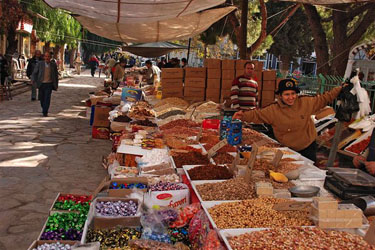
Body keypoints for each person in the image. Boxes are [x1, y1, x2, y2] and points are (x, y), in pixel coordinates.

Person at [233, 78, 343, 162]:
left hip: (308, 147)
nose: (291, 97)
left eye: (293, 93)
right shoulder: (273, 110)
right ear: (280, 96)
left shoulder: (306, 102)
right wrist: (242, 115)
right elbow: (257, 115)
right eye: (286, 94)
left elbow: (325, 98)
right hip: (287, 150)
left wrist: (340, 89)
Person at [32, 52, 59, 117]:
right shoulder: (40, 64)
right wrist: (33, 80)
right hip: (41, 83)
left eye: (48, 57)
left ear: (50, 57)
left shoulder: (53, 65)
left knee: (47, 97)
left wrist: (56, 84)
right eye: (46, 56)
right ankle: (44, 107)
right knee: (41, 98)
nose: (47, 58)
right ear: (44, 57)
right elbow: (35, 72)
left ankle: (45, 111)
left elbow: (55, 75)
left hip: (49, 84)